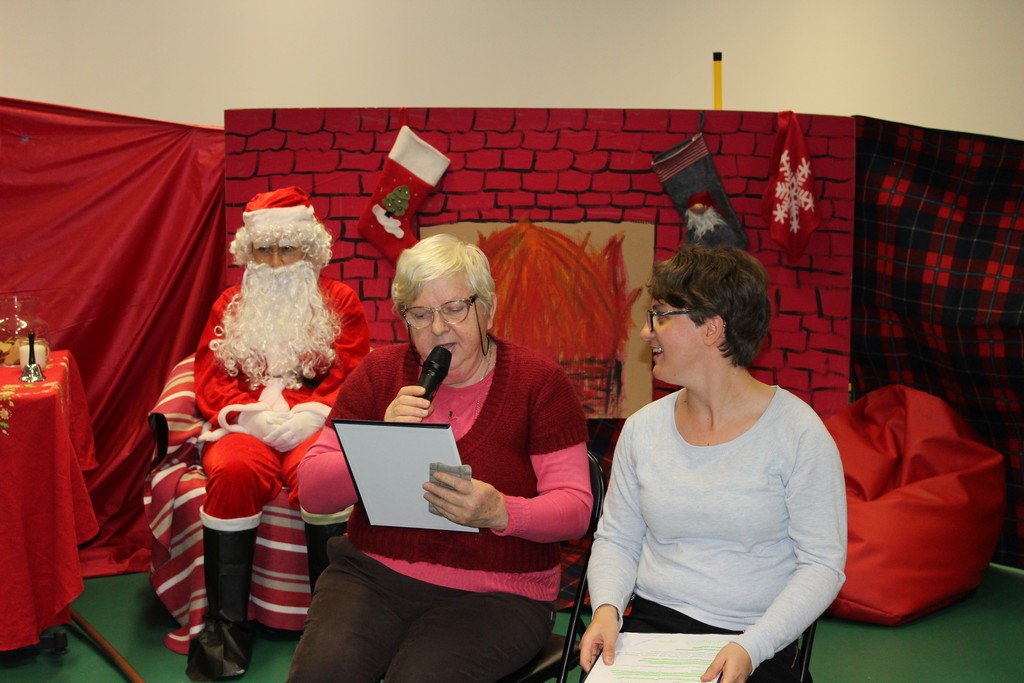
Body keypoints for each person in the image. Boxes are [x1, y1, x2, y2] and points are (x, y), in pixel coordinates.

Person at [287, 233, 592, 683]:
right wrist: (379, 443)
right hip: (373, 575)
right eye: (421, 314)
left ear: (488, 308)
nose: (438, 328)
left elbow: (576, 510)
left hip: (498, 595)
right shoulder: (379, 374)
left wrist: (501, 511)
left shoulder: (539, 384)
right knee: (321, 674)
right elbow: (312, 492)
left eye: (454, 308)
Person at [580, 245, 847, 683]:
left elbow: (822, 565)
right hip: (652, 630)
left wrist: (753, 646)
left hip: (755, 637)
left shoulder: (798, 434)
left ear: (711, 328)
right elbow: (618, 540)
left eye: (660, 315)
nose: (646, 332)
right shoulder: (643, 429)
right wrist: (607, 609)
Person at [187, 186, 371, 681]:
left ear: (308, 250)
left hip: (314, 422)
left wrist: (314, 414)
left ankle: (335, 628)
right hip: (247, 423)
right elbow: (209, 375)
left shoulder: (340, 302)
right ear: (249, 252)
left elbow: (353, 371)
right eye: (263, 250)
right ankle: (225, 628)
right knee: (232, 471)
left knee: (323, 476)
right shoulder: (230, 304)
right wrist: (247, 416)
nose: (274, 262)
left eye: (286, 248)